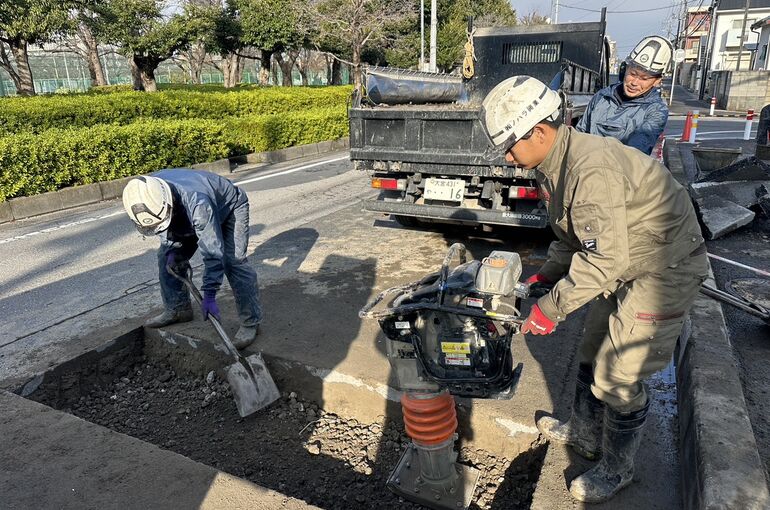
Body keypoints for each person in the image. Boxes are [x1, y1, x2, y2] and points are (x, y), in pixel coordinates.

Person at [481, 75, 708, 502]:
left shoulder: (589, 169)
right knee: (591, 348)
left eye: (511, 145)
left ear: (540, 131)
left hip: (665, 264)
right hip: (627, 257)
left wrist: (550, 308)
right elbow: (575, 239)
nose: (508, 157)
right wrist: (544, 277)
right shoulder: (552, 164)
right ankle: (584, 435)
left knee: (617, 374)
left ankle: (618, 468)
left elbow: (603, 260)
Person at [122, 169, 262, 349]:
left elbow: (213, 254)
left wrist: (209, 294)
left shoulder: (199, 204)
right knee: (165, 258)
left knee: (233, 262)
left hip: (229, 209)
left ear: (169, 203)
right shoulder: (146, 191)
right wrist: (172, 248)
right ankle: (178, 309)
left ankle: (251, 323)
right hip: (181, 215)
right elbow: (162, 227)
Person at [576, 36, 673, 155]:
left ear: (657, 81)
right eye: (632, 74)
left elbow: (636, 151)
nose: (634, 83)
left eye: (644, 78)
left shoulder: (656, 111)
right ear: (624, 69)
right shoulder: (602, 96)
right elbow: (580, 134)